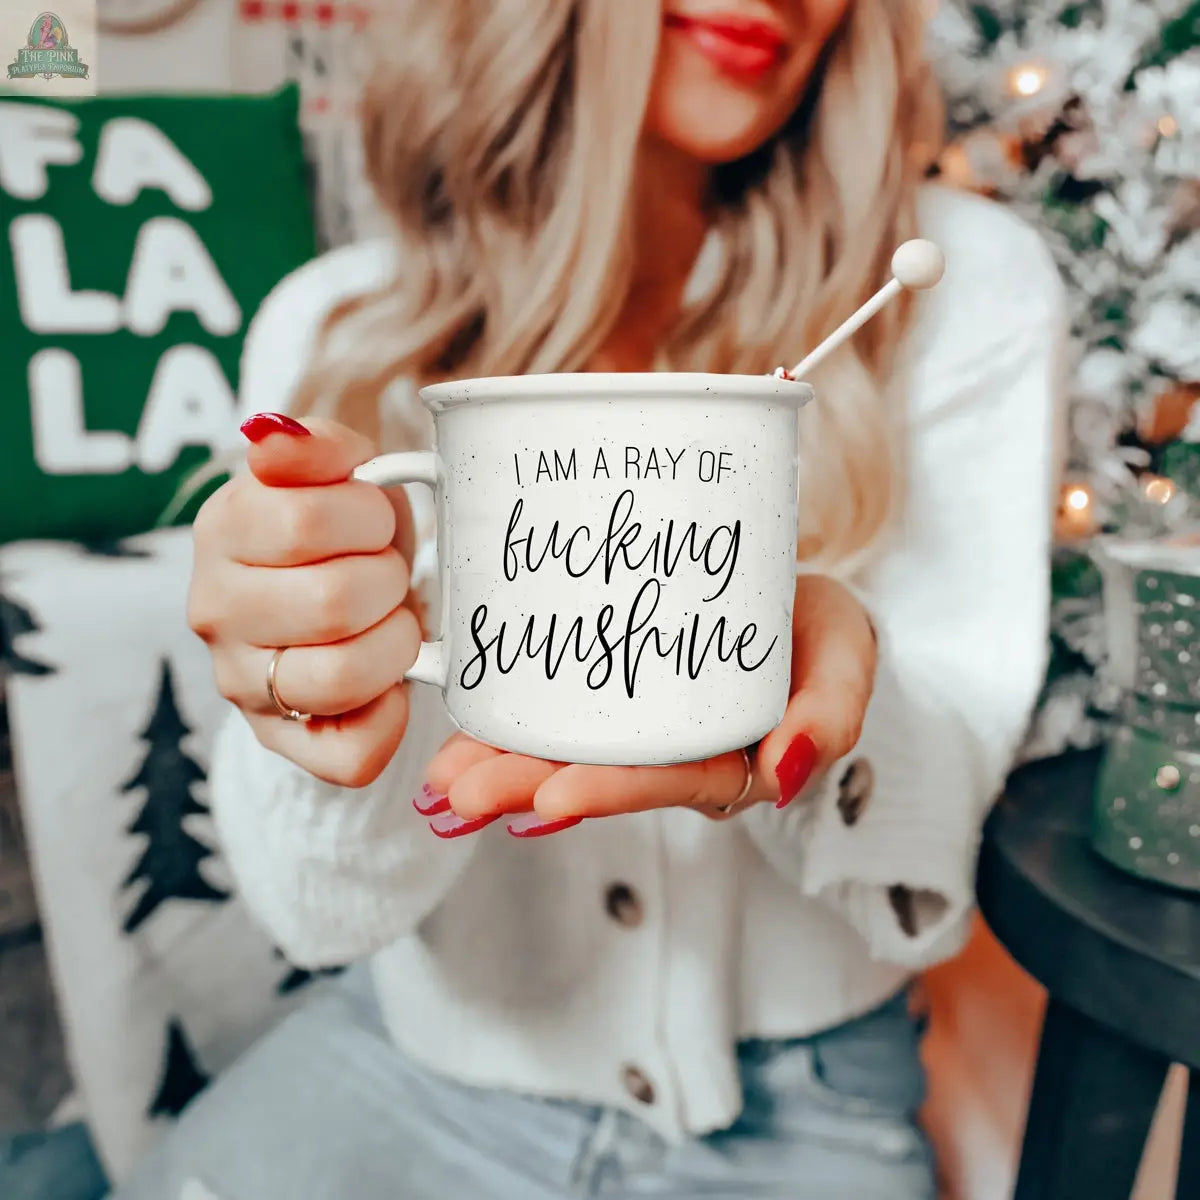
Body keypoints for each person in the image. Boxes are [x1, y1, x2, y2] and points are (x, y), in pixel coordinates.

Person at [116, 2, 1066, 1197]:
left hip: (801, 1103)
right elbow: (317, 918)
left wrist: (837, 710)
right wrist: (331, 717)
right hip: (415, 1059)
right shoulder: (337, 324)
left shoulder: (953, 279)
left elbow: (946, 811)